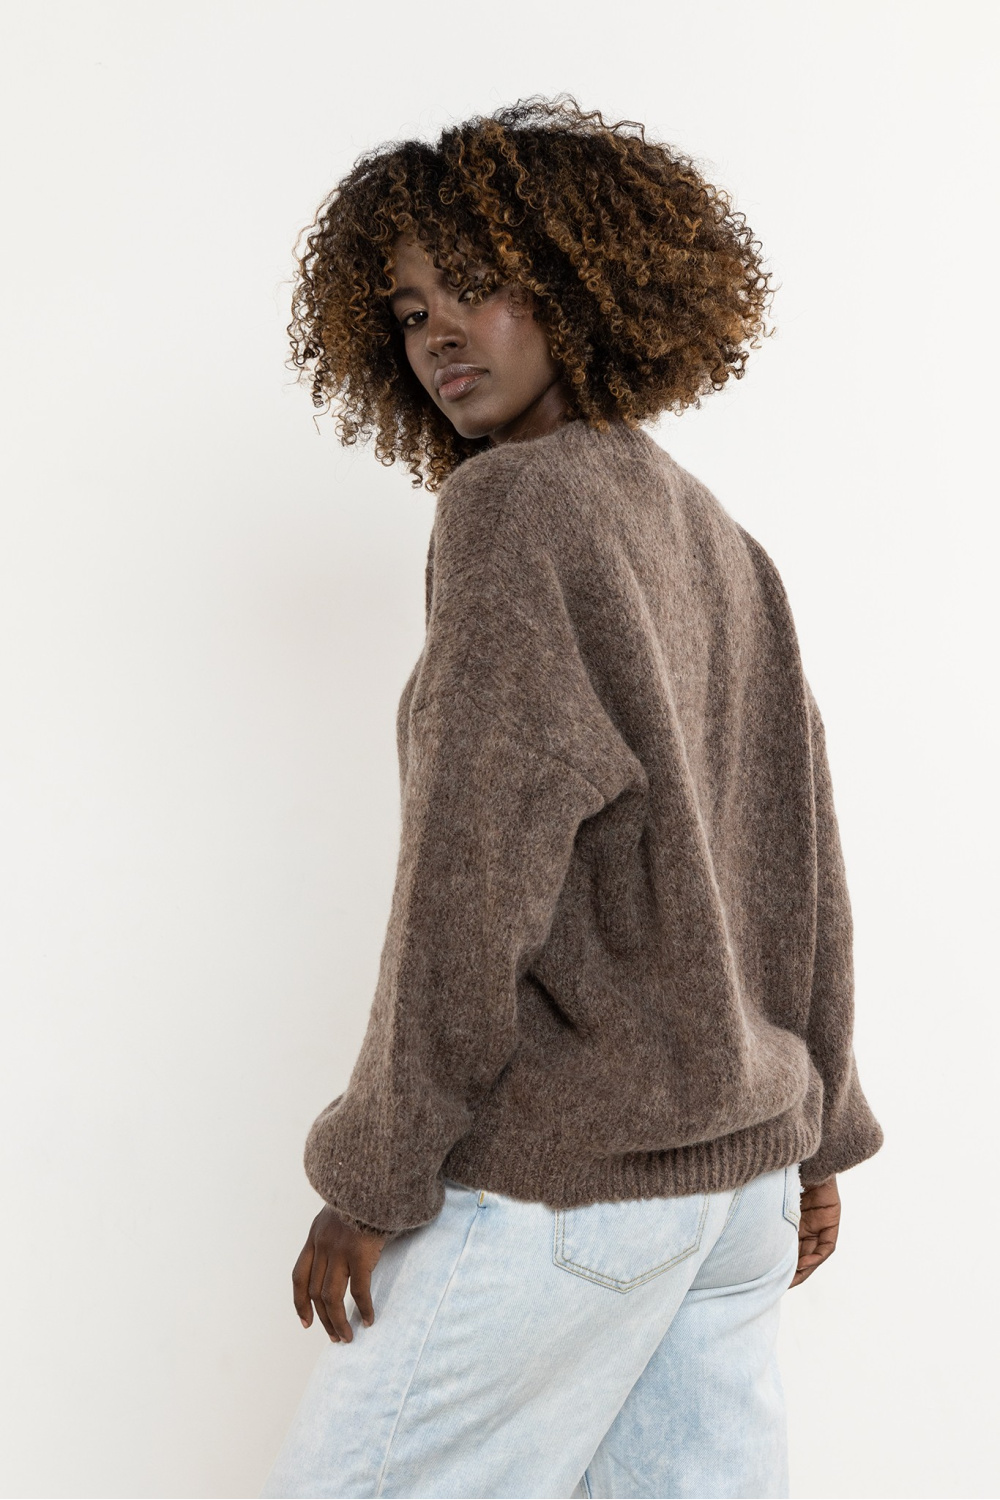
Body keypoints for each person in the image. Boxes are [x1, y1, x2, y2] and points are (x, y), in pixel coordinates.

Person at [259, 95, 884, 1500]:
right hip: (733, 1195)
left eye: (477, 288)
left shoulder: (513, 511)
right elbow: (804, 854)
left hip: (574, 1187)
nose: (438, 335)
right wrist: (821, 1130)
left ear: (576, 285)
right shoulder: (716, 536)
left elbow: (474, 868)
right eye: (410, 309)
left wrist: (375, 1173)